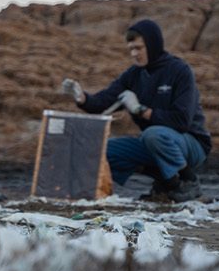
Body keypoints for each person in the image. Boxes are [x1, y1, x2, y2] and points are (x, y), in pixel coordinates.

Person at [61, 18, 210, 201]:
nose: (134, 54)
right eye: (131, 49)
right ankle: (166, 182)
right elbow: (103, 102)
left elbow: (181, 121)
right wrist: (82, 97)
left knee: (153, 134)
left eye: (139, 48)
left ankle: (188, 182)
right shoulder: (133, 75)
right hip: (155, 142)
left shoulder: (179, 70)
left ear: (153, 44)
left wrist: (140, 110)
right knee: (103, 150)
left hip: (190, 143)